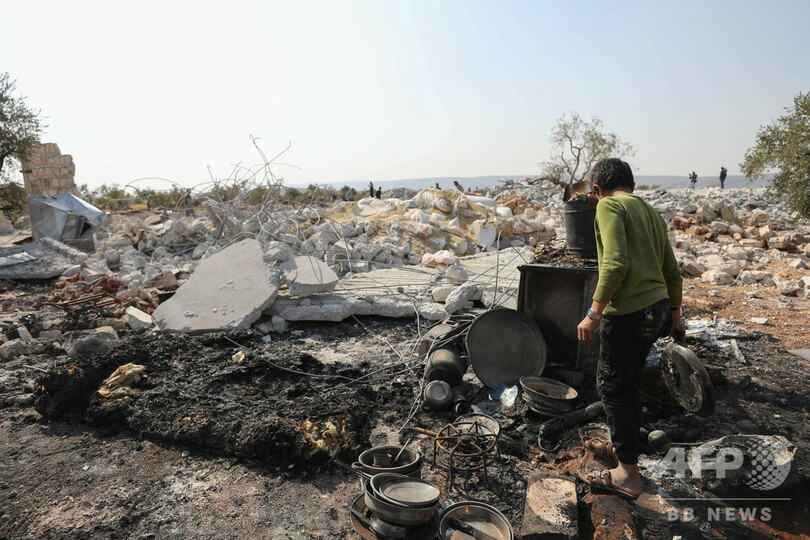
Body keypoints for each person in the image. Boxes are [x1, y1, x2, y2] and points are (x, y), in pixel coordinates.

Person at [576, 158, 684, 500]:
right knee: (628, 381)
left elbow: (615, 263)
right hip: (659, 311)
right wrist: (676, 318)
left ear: (596, 190)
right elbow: (673, 271)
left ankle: (627, 476)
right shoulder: (650, 213)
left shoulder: (608, 206)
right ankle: (629, 451)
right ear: (633, 186)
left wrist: (593, 312)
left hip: (630, 314)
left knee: (611, 388)